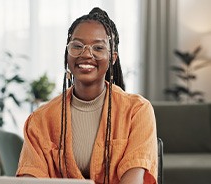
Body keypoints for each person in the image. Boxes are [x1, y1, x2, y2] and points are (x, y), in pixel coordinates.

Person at [16, 7, 158, 184]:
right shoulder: (40, 120)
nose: (86, 54)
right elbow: (31, 179)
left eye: (98, 47)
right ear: (68, 53)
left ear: (112, 57)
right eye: (77, 46)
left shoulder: (137, 111)